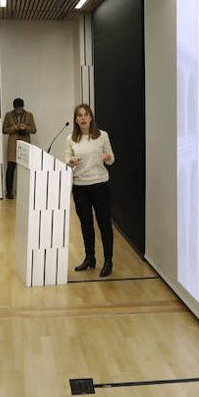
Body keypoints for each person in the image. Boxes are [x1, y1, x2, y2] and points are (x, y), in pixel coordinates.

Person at [67, 104, 115, 277]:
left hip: (100, 184)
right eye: (79, 115)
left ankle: (108, 260)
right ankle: (90, 257)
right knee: (86, 224)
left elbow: (111, 160)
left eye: (86, 115)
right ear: (75, 119)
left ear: (91, 117)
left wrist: (107, 158)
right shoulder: (71, 139)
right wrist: (71, 161)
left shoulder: (102, 136)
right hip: (80, 187)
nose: (83, 118)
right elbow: (66, 160)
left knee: (104, 224)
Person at [2, 98, 37, 199]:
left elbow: (34, 130)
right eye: (17, 109)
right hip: (13, 144)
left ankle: (27, 191)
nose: (18, 111)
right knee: (10, 169)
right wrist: (14, 128)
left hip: (25, 144)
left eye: (20, 109)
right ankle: (9, 192)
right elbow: (4, 130)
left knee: (26, 169)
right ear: (14, 107)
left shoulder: (29, 115)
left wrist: (25, 127)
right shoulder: (8, 115)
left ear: (23, 107)